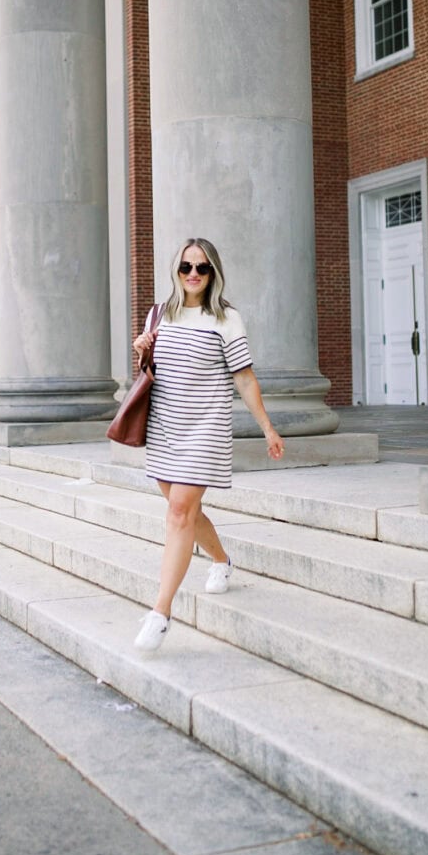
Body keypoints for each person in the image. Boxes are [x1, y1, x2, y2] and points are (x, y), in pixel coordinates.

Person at [132, 238, 285, 651]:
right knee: (184, 510)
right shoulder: (159, 315)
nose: (193, 274)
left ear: (213, 272)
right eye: (186, 267)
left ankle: (160, 613)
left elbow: (245, 377)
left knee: (180, 511)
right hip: (166, 427)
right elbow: (151, 373)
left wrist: (267, 427)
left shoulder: (226, 318)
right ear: (176, 271)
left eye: (201, 267)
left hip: (205, 427)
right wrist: (143, 348)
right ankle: (221, 559)